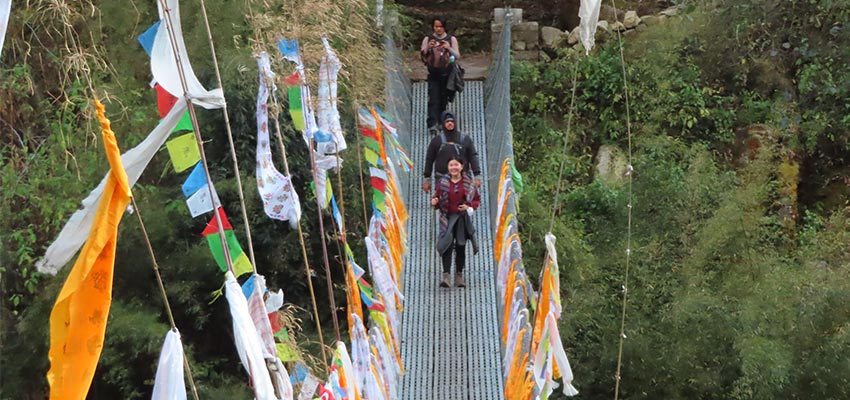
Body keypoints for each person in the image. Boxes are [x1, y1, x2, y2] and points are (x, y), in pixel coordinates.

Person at [430, 155, 480, 288]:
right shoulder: (443, 183)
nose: (454, 168)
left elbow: (476, 199)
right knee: (446, 245)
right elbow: (437, 198)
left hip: (461, 218)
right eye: (451, 165)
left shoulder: (469, 183)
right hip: (446, 218)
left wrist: (468, 207)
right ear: (448, 167)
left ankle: (459, 275)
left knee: (460, 246)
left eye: (456, 165)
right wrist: (434, 202)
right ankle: (446, 275)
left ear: (462, 166)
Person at [422, 111, 481, 193]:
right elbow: (429, 159)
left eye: (452, 121)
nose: (450, 123)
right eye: (447, 122)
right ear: (443, 124)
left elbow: (473, 156)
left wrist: (477, 175)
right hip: (442, 178)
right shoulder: (436, 141)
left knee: (464, 203)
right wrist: (427, 179)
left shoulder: (465, 140)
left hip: (463, 178)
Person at [421, 17, 460, 135]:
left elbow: (457, 55)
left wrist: (448, 47)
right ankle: (432, 123)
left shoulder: (451, 39)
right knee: (433, 98)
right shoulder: (428, 38)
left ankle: (441, 121)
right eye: (435, 26)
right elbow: (422, 53)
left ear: (444, 27)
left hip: (447, 73)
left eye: (440, 26)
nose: (437, 29)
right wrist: (429, 47)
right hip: (433, 73)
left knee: (443, 98)